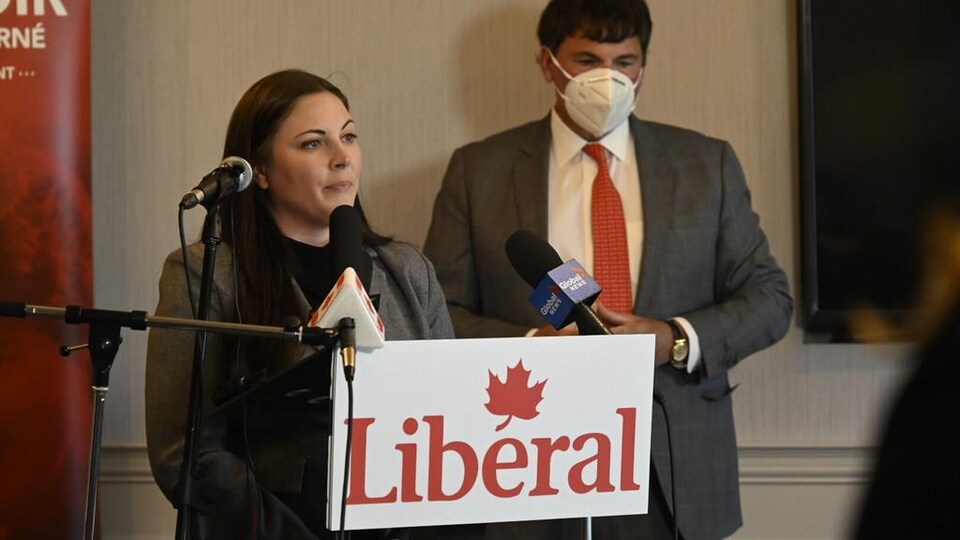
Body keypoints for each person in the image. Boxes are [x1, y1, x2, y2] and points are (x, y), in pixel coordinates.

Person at [423, 1, 792, 538]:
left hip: (673, 458)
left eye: (625, 62)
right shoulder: (479, 170)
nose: (608, 78)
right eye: (588, 59)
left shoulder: (705, 164)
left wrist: (674, 338)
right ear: (548, 64)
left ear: (643, 66)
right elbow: (436, 314)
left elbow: (769, 298)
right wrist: (533, 344)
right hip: (524, 458)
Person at [145, 69, 456, 539]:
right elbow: (182, 450)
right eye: (313, 143)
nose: (342, 157)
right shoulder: (206, 274)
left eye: (348, 136)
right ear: (261, 171)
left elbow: (451, 418)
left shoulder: (408, 270)